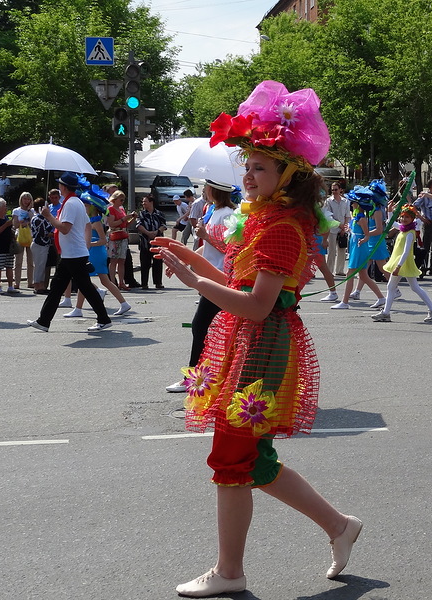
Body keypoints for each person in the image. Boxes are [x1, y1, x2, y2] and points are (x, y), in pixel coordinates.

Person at [152, 80, 362, 597]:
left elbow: (257, 305)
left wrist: (194, 281)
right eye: (246, 166)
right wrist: (190, 261)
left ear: (287, 176)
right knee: (254, 460)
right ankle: (339, 526)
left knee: (232, 459)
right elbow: (238, 285)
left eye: (260, 167)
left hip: (263, 344)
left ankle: (229, 573)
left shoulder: (283, 228)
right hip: (250, 341)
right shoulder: (266, 219)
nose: (247, 175)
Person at [165, 180, 237, 394]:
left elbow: (231, 248)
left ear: (214, 190)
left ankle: (194, 377)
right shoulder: (213, 211)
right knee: (210, 328)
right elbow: (207, 248)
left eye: (206, 187)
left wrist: (207, 236)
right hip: (211, 277)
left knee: (200, 326)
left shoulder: (228, 215)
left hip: (221, 279)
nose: (204, 191)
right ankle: (215, 376)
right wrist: (184, 261)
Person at [26, 172, 111, 332]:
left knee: (83, 287)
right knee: (59, 287)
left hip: (73, 254)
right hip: (72, 253)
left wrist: (48, 216)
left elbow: (65, 228)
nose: (58, 187)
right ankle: (44, 321)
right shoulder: (76, 201)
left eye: (60, 184)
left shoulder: (71, 204)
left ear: (63, 187)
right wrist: (85, 244)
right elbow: (87, 225)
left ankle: (103, 318)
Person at [63, 187, 131, 318]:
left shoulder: (96, 222)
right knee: (90, 280)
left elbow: (103, 240)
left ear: (92, 207)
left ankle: (80, 308)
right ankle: (122, 303)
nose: (84, 208)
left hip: (96, 253)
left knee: (92, 280)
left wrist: (89, 244)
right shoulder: (90, 221)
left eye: (86, 206)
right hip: (92, 252)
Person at [371, 204, 432, 323]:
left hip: (402, 263)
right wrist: (390, 211)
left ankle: (386, 313)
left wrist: (398, 266)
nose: (404, 219)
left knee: (399, 287)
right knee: (407, 287)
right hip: (400, 262)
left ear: (412, 218)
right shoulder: (403, 229)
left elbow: (406, 252)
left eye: (407, 217)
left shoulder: (410, 233)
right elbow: (390, 222)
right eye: (402, 216)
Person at [330, 187, 385, 310]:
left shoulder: (362, 219)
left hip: (359, 248)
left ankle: (345, 302)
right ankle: (381, 297)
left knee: (350, 274)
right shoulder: (357, 217)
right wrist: (350, 230)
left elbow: (367, 235)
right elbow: (357, 232)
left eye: (353, 202)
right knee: (364, 276)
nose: (351, 204)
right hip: (356, 246)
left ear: (358, 204)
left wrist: (363, 239)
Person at [106, 190, 135, 291]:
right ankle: (113, 283)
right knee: (113, 260)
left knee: (122, 260)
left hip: (123, 234)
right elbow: (111, 224)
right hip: (115, 234)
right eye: (121, 200)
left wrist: (132, 218)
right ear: (115, 199)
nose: (122, 202)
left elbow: (126, 224)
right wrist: (124, 218)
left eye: (123, 200)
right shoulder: (110, 209)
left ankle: (121, 282)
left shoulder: (121, 209)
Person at [136, 194, 167, 290]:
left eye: (145, 201)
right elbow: (138, 225)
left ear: (151, 202)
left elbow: (164, 225)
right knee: (145, 263)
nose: (143, 203)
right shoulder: (141, 214)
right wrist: (148, 233)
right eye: (142, 202)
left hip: (158, 242)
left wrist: (157, 232)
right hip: (145, 242)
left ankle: (158, 282)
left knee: (158, 262)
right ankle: (144, 284)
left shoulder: (159, 213)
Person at [0, 197, 17, 294]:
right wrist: (6, 225)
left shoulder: (5, 217)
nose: (6, 208)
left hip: (8, 246)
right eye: (4, 206)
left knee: (9, 266)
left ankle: (10, 286)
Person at [324, 180, 349, 276]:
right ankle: (329, 270)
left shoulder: (345, 201)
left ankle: (340, 270)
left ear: (340, 190)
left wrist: (344, 228)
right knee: (332, 251)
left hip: (343, 228)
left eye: (336, 189)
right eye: (332, 190)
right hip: (332, 229)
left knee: (342, 249)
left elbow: (347, 215)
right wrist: (339, 225)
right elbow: (328, 215)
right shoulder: (328, 201)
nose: (334, 191)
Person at [11, 191, 35, 289]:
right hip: (20, 236)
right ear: (21, 199)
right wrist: (23, 222)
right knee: (18, 261)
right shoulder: (16, 211)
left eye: (28, 199)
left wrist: (29, 212)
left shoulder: (32, 211)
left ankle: (30, 282)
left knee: (30, 262)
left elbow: (33, 223)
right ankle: (17, 282)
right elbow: (15, 224)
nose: (26, 201)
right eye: (24, 198)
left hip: (30, 237)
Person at [29, 198, 52, 294]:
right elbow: (43, 233)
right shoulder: (38, 219)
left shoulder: (42, 218)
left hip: (43, 245)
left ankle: (41, 285)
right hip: (39, 245)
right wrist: (54, 234)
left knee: (42, 266)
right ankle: (37, 286)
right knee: (39, 266)